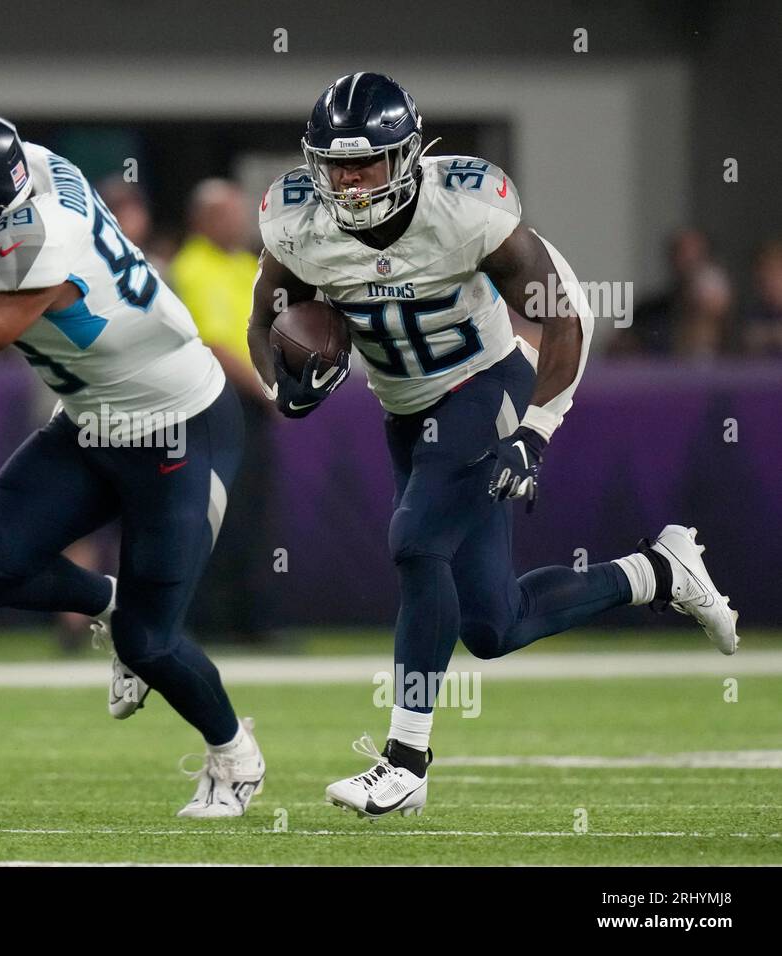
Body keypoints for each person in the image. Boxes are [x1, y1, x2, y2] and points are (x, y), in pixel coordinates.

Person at [247, 72, 739, 819]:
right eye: (335, 163)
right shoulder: (295, 222)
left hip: (485, 383)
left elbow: (565, 319)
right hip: (405, 410)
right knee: (492, 624)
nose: (348, 181)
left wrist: (534, 432)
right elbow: (265, 321)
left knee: (416, 543)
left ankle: (405, 760)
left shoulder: (467, 209)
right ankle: (658, 573)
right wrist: (280, 384)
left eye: (366, 162)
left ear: (407, 156)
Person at [0, 108, 265, 817]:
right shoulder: (27, 169)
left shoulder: (34, 242)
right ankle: (109, 600)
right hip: (91, 420)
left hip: (179, 427)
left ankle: (234, 754)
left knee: (151, 641)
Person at [170, 179, 276, 644]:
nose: (236, 222)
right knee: (213, 510)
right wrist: (266, 389)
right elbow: (212, 342)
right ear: (201, 220)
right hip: (216, 403)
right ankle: (208, 621)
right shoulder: (191, 266)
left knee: (252, 512)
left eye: (239, 213)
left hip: (251, 404)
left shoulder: (243, 264)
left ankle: (249, 619)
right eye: (225, 214)